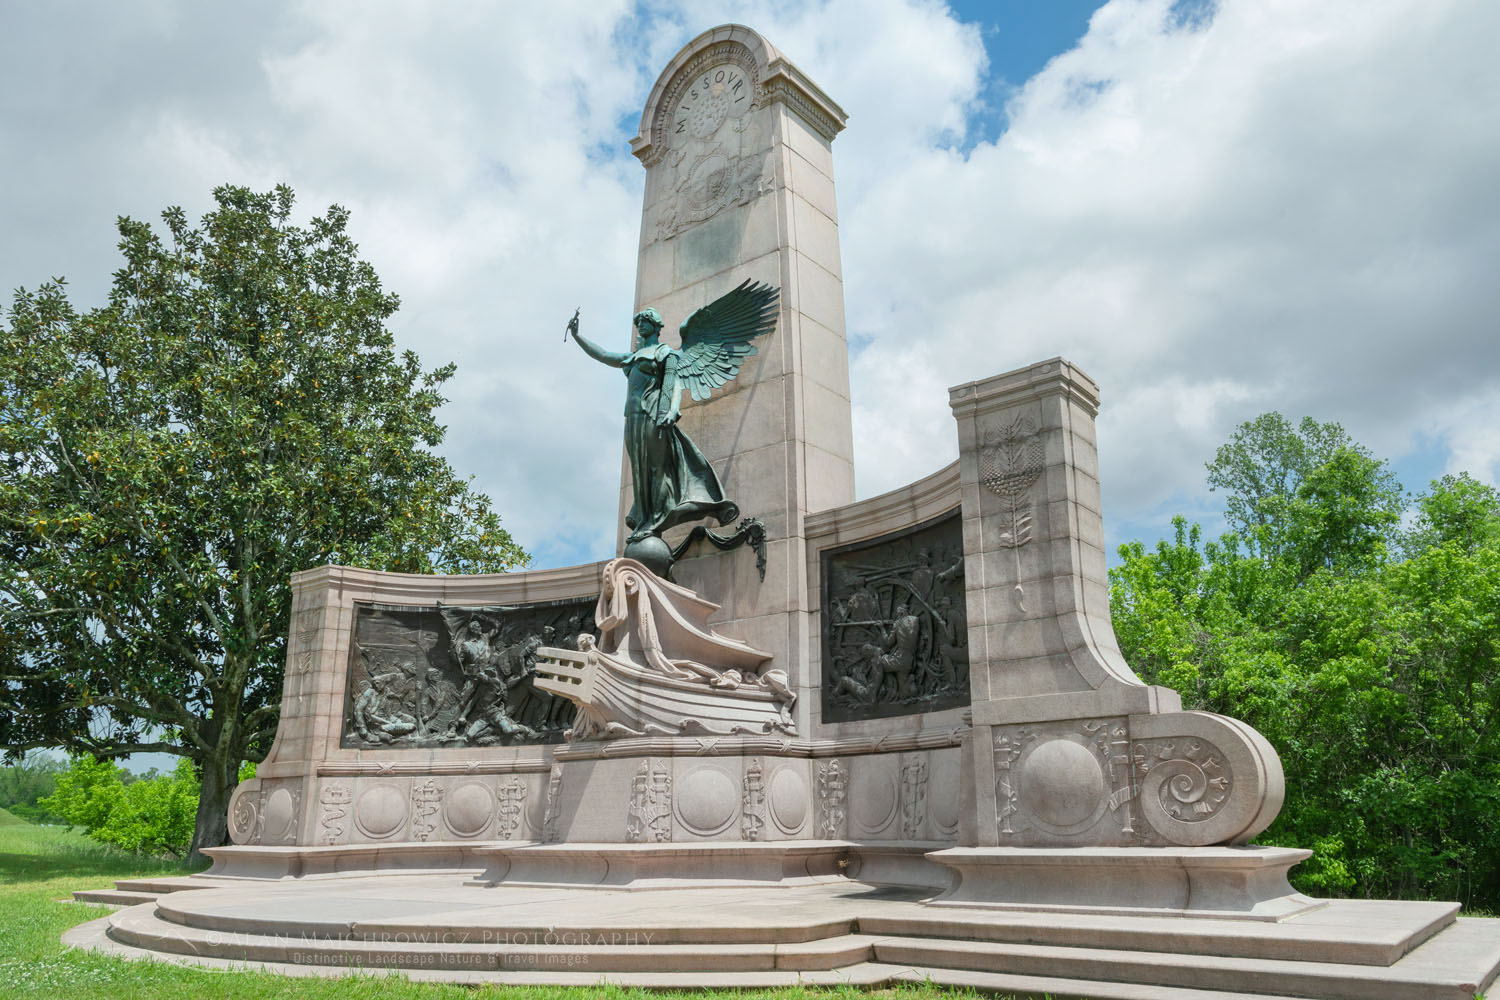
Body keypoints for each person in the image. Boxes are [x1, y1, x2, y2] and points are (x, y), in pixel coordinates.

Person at [568, 307, 737, 542]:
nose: (641, 325)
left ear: (657, 327)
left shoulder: (664, 352)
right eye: (639, 321)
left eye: (646, 321)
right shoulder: (633, 356)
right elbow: (604, 355)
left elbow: (673, 384)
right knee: (639, 470)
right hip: (633, 416)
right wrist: (577, 336)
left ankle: (655, 520)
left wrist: (671, 411)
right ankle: (643, 519)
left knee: (657, 469)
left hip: (653, 415)